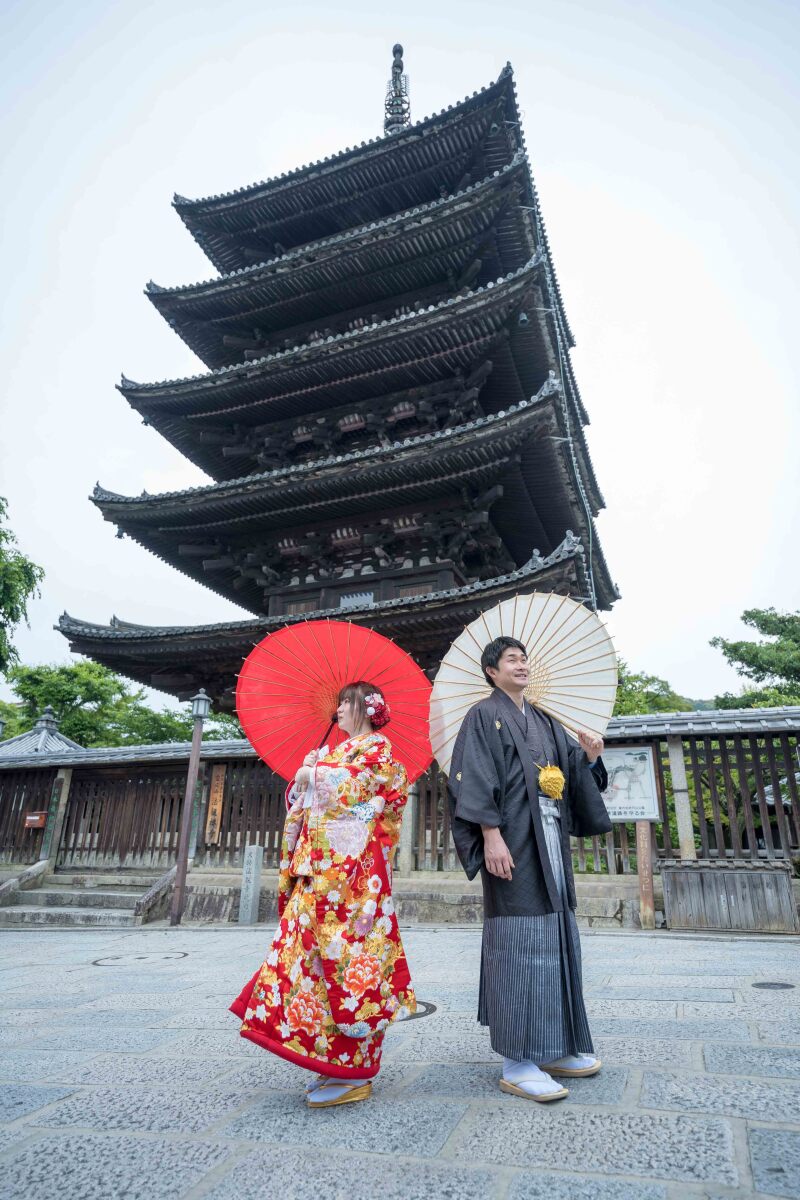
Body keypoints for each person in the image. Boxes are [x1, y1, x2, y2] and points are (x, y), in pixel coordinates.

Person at [230, 681, 416, 1108]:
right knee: (302, 963)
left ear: (367, 707)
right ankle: (328, 1061)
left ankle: (355, 1071)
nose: (340, 710)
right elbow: (304, 804)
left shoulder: (378, 750)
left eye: (346, 702)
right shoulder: (333, 753)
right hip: (315, 875)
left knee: (350, 967)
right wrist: (306, 780)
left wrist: (317, 776)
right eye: (339, 704)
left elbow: (368, 798)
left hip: (353, 882)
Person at [448, 635, 611, 1102]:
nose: (521, 665)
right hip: (513, 840)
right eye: (511, 660)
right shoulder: (483, 715)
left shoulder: (545, 719)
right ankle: (517, 1061)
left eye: (524, 659)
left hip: (550, 839)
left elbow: (572, 775)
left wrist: (590, 756)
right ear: (491, 672)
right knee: (518, 941)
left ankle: (554, 1048)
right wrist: (490, 835)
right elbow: (474, 778)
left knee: (556, 937)